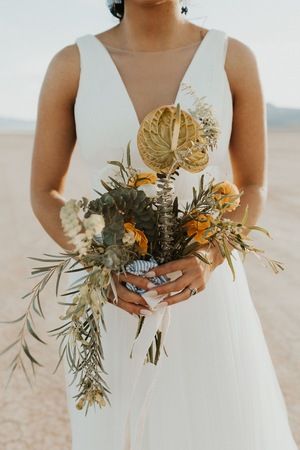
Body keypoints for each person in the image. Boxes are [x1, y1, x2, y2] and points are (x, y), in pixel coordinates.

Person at [30, 1, 298, 449]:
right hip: (114, 300)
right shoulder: (72, 66)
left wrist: (208, 258)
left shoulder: (232, 59)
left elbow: (252, 184)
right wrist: (97, 263)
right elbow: (44, 192)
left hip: (206, 296)